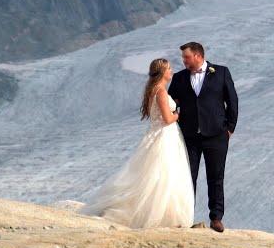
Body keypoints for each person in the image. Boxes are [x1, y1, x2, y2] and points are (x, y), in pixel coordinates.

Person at [82, 58, 194, 228]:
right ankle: (162, 216)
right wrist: (181, 113)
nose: (172, 71)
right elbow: (167, 118)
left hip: (157, 134)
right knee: (164, 175)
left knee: (155, 174)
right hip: (165, 136)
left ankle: (162, 213)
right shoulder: (161, 92)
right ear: (163, 72)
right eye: (169, 68)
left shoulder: (153, 90)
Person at [168, 41, 238, 233]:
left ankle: (216, 218)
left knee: (216, 177)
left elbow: (232, 101)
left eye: (186, 57)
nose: (184, 61)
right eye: (183, 58)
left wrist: (229, 128)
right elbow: (170, 102)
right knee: (187, 177)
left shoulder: (221, 72)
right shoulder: (180, 78)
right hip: (189, 136)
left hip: (216, 135)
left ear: (198, 56)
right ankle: (185, 216)